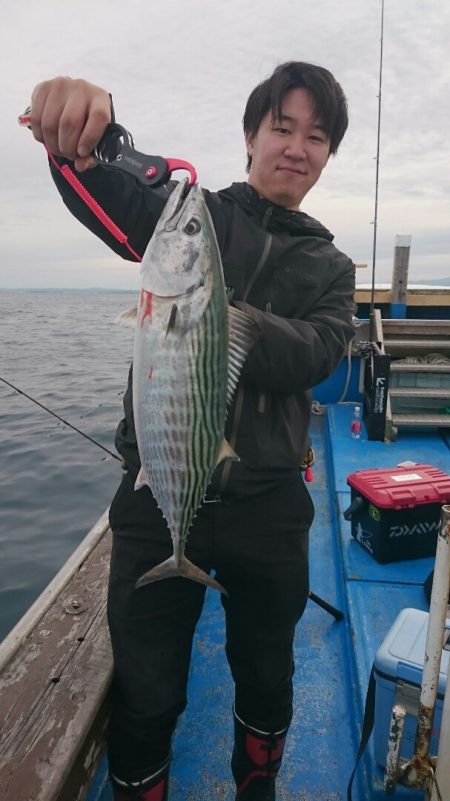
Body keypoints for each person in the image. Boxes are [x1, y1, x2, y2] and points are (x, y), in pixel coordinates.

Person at [29, 61, 356, 801]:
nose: (297, 147)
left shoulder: (333, 266)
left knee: (268, 671)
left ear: (327, 155)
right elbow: (112, 195)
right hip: (158, 495)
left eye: (316, 136)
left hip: (269, 505)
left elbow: (320, 350)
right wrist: (78, 136)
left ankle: (256, 783)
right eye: (282, 126)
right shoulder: (195, 216)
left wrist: (222, 320)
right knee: (145, 688)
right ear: (251, 135)